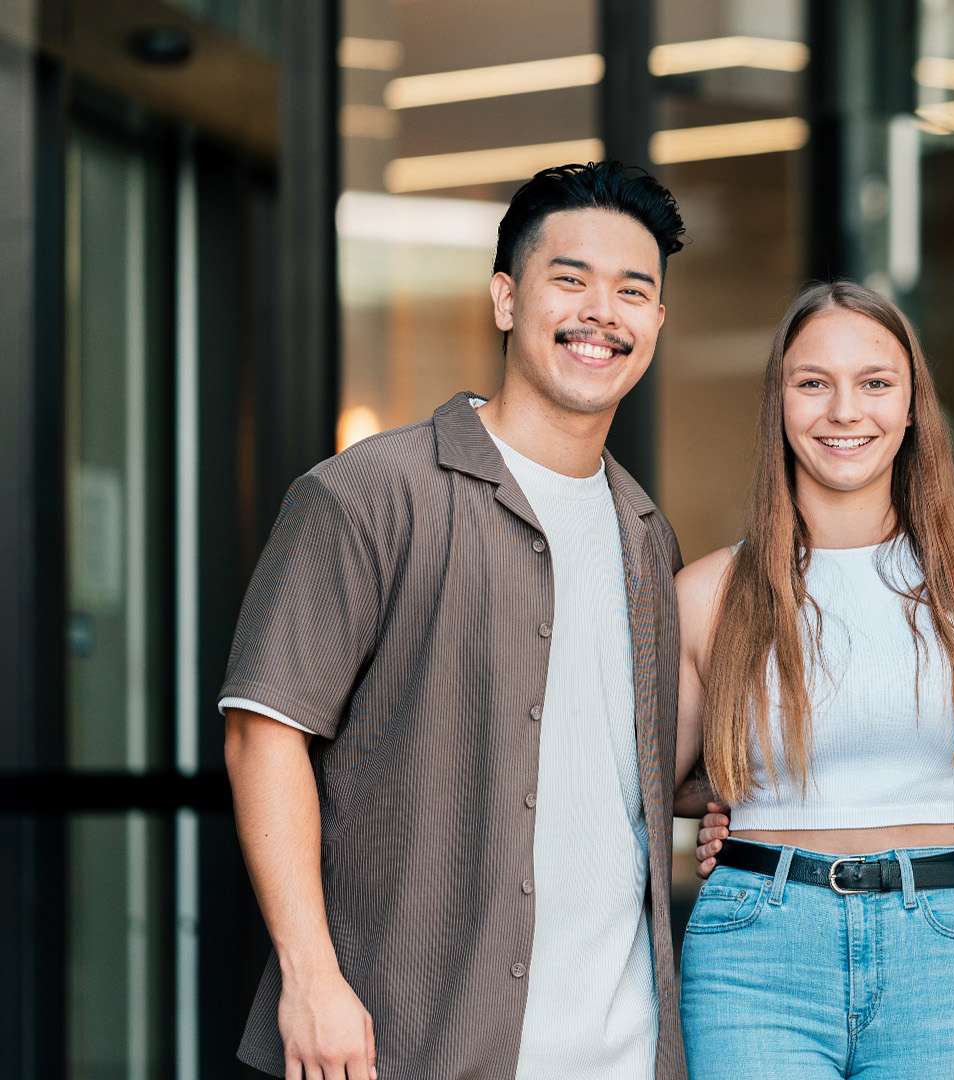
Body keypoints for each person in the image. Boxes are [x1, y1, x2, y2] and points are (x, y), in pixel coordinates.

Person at [220, 162, 689, 1080]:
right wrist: (310, 978)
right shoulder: (369, 494)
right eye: (571, 279)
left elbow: (629, 773)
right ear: (506, 298)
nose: (604, 313)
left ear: (657, 326)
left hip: (624, 1049)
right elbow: (261, 734)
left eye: (633, 292)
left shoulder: (647, 536)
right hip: (412, 1036)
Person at [671, 281, 954, 1079]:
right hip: (757, 954)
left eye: (875, 383)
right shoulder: (711, 594)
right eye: (813, 382)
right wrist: (724, 804)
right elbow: (653, 790)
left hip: (946, 955)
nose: (844, 411)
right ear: (780, 403)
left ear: (910, 407)